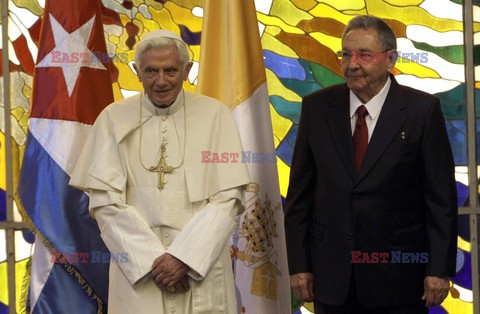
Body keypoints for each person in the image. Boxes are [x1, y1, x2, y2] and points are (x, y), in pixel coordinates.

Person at [284, 15, 457, 313]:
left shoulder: (422, 110)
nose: (352, 64)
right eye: (346, 54)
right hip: (332, 278)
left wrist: (438, 270)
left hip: (400, 277)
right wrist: (299, 265)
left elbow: (440, 199)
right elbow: (300, 197)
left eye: (364, 54)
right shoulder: (317, 108)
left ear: (390, 58)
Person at [70, 30, 250, 313]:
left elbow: (229, 198)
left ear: (187, 70)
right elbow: (105, 202)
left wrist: (184, 259)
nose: (161, 81)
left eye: (170, 70)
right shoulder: (112, 118)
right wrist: (153, 261)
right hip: (139, 271)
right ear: (137, 72)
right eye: (151, 71)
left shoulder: (216, 115)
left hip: (199, 267)